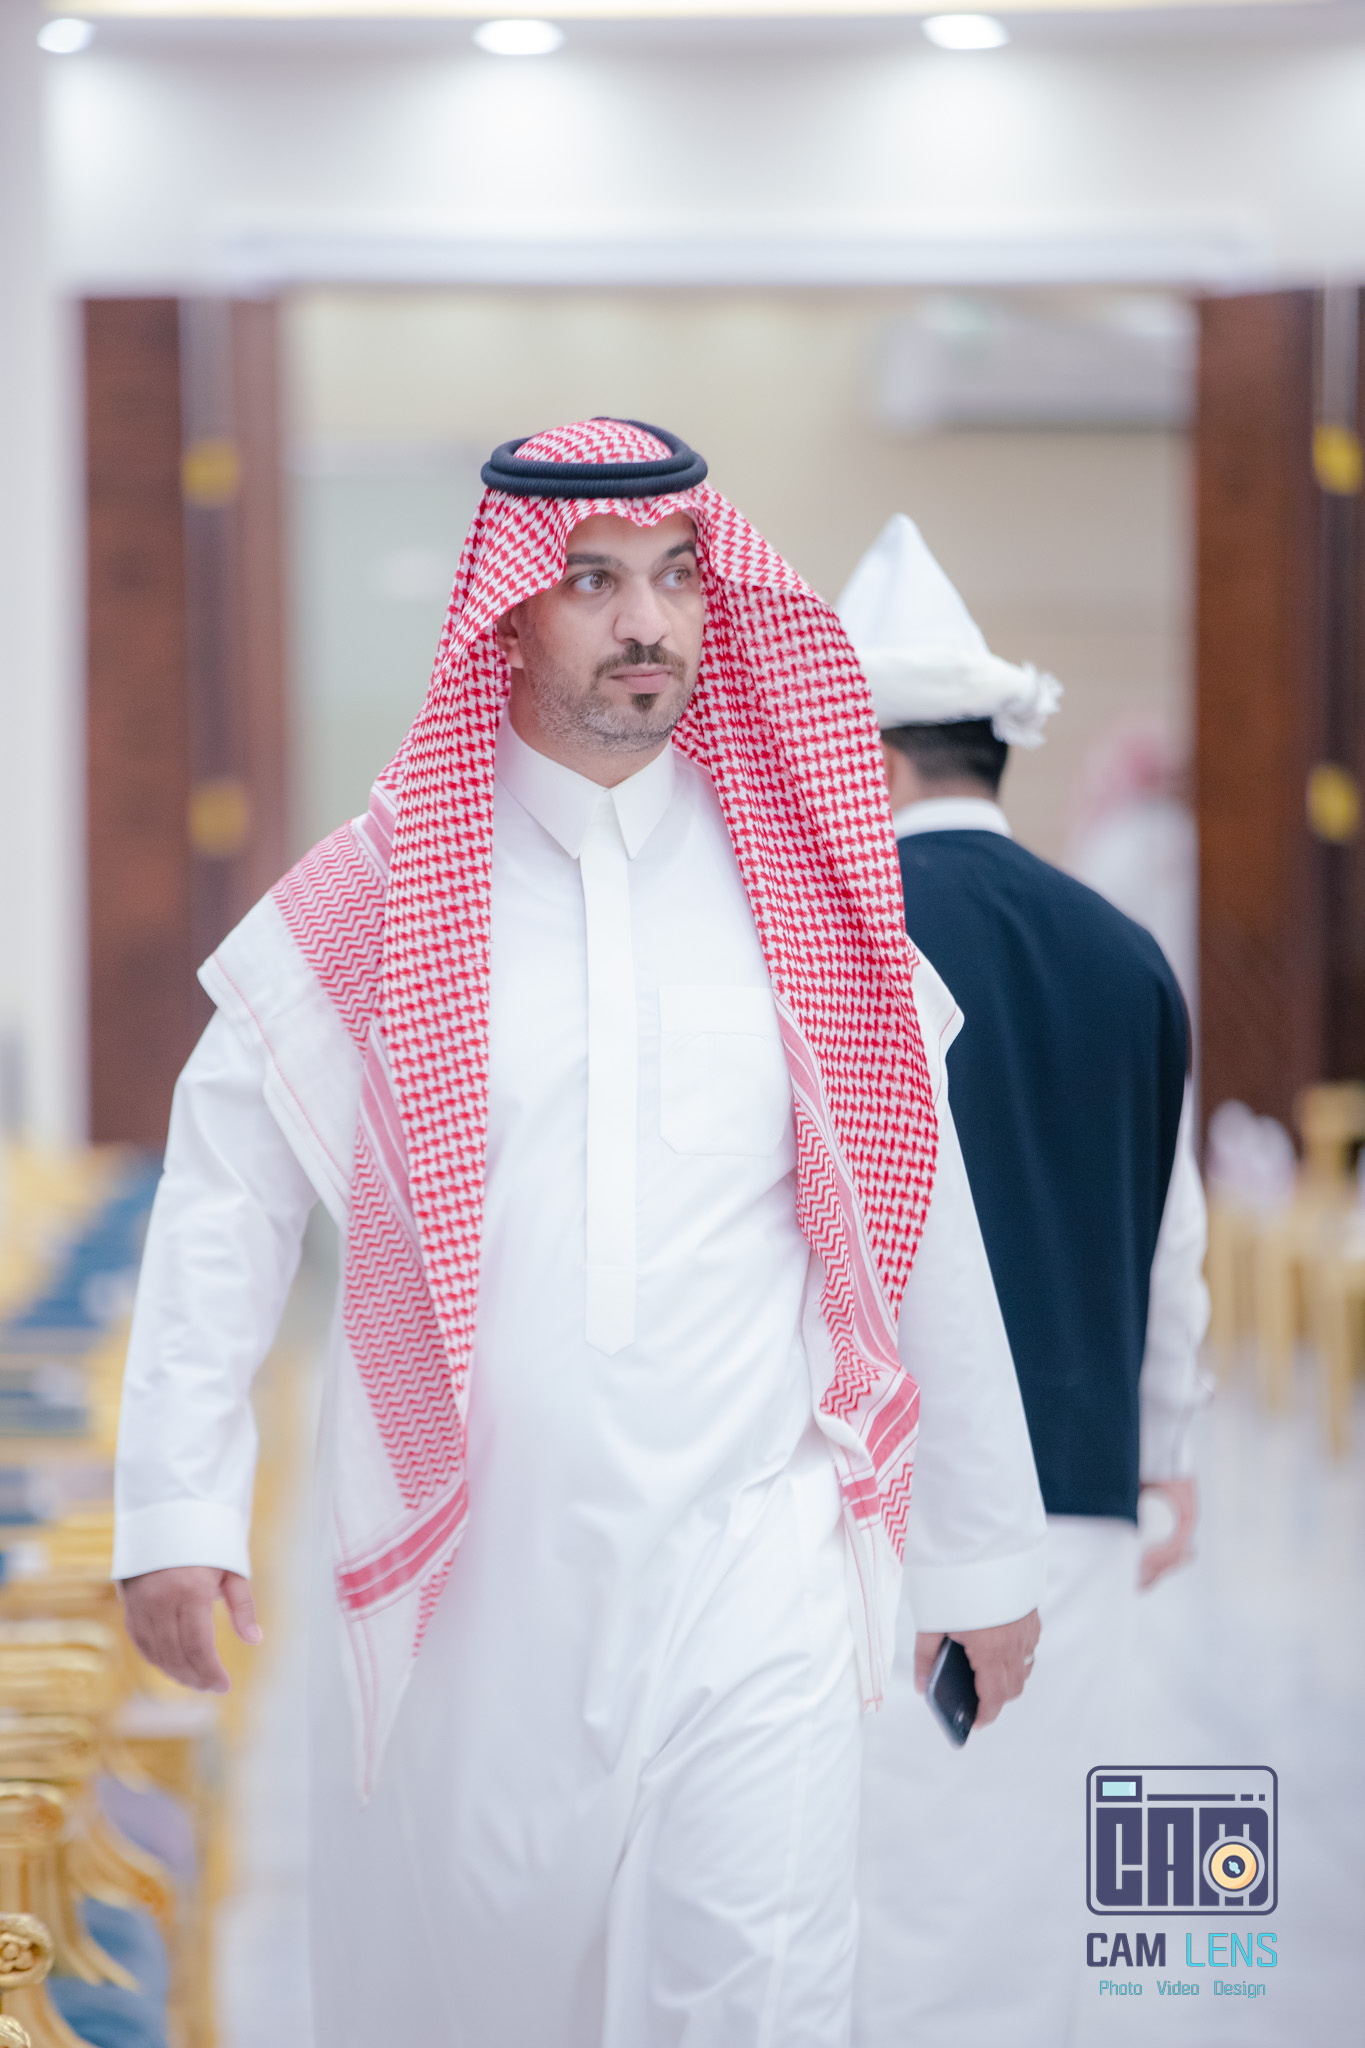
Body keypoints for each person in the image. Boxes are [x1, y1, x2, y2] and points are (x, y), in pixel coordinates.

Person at [113, 425, 1046, 2048]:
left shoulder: (805, 895)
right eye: (595, 583)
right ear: (506, 614)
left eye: (676, 580)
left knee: (754, 1996)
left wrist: (978, 1550)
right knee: (481, 2003)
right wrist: (177, 1503)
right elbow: (224, 1194)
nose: (647, 622)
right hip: (482, 1588)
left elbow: (922, 1226)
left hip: (755, 1558)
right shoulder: (385, 890)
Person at [838, 514, 1211, 2048]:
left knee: (882, 1904)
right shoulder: (1127, 957)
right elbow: (1171, 1241)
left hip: (885, 1518)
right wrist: (1165, 1453)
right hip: (1086, 1506)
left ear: (860, 758)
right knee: (1042, 1892)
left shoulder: (835, 950)